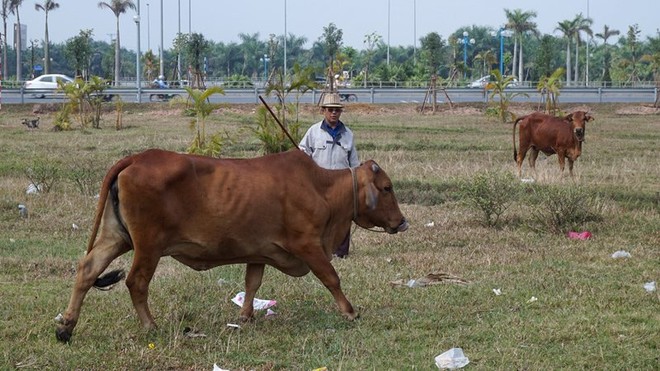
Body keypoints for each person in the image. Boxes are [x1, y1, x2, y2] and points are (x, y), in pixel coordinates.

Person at [299, 92, 360, 258]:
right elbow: (302, 153)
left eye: (337, 110)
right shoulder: (313, 132)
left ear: (340, 112)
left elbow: (354, 162)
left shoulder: (348, 134)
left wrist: (357, 181)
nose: (333, 113)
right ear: (323, 111)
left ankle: (340, 252)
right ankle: (319, 249)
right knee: (319, 217)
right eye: (330, 109)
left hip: (342, 183)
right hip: (319, 183)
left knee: (343, 217)